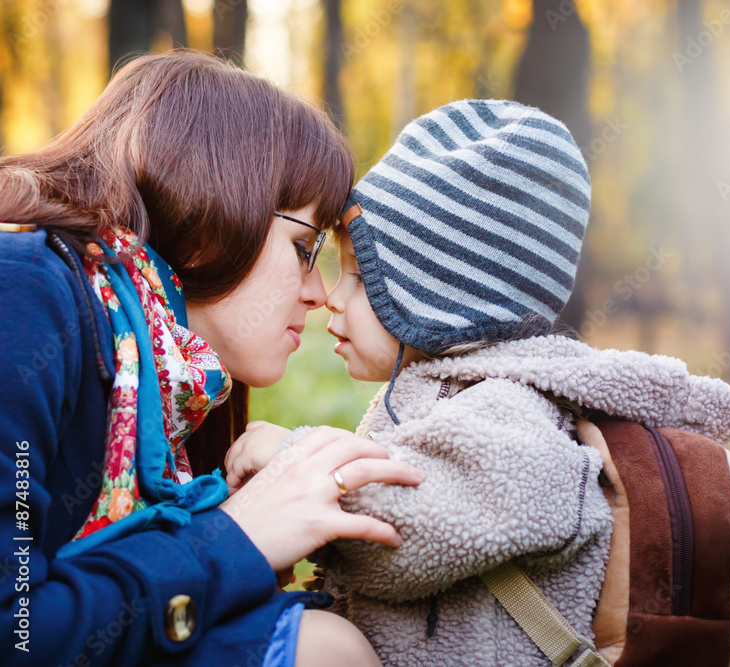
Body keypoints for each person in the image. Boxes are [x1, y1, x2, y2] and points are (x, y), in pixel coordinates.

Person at [227, 99, 730, 666]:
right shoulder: (436, 392)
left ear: (440, 297)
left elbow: (418, 533)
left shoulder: (510, 411)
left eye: (360, 276)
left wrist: (296, 462)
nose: (331, 297)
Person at [0, 51, 423, 667]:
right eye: (303, 247)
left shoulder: (178, 377)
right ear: (212, 219)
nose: (318, 292)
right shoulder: (23, 290)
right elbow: (14, 633)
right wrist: (232, 540)